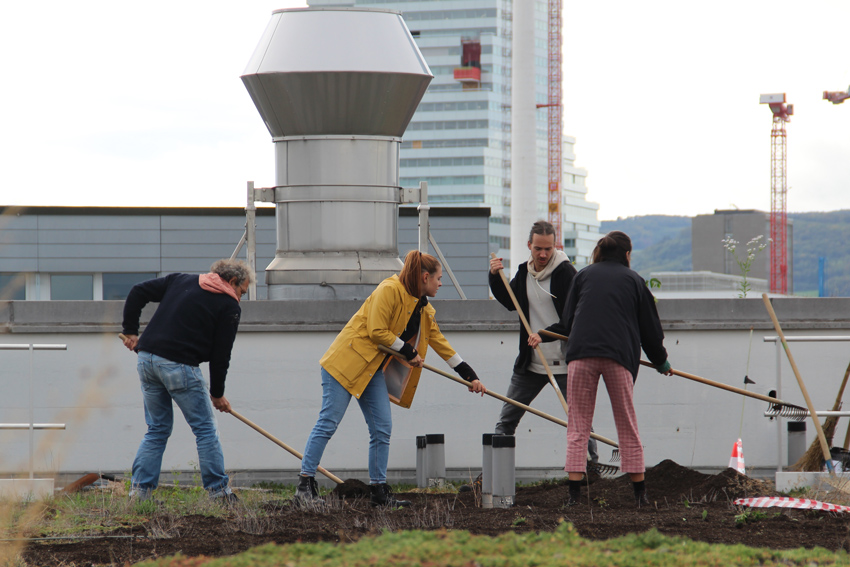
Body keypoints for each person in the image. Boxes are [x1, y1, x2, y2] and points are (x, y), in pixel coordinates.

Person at [296, 250, 487, 508]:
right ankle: (305, 486)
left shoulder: (423, 307)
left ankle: (378, 492)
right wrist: (409, 352)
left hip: (371, 369)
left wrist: (469, 376)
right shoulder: (389, 289)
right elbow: (377, 331)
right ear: (425, 277)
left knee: (382, 428)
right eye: (439, 278)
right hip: (344, 362)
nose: (441, 284)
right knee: (328, 423)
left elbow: (441, 344)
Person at [533, 231, 672, 507]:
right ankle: (640, 495)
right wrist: (661, 361)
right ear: (627, 255)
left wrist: (548, 334)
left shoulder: (583, 276)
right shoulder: (635, 281)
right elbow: (650, 329)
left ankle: (574, 496)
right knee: (627, 424)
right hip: (617, 356)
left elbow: (569, 321)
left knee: (577, 425)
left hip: (581, 355)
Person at [120, 259, 254, 503]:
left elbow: (138, 290)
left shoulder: (180, 280)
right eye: (242, 291)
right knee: (205, 430)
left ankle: (139, 495)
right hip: (179, 366)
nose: (240, 298)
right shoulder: (228, 306)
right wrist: (217, 394)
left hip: (147, 360)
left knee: (157, 429)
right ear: (232, 281)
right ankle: (219, 493)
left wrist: (130, 331)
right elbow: (221, 354)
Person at [489, 221, 597, 462]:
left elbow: (574, 319)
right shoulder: (524, 272)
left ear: (555, 246)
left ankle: (592, 470)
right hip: (531, 362)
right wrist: (495, 276)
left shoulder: (567, 274)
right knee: (506, 421)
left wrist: (544, 334)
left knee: (579, 420)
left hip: (567, 364)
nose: (543, 254)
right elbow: (511, 302)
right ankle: (493, 475)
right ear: (529, 245)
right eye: (538, 248)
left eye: (548, 249)